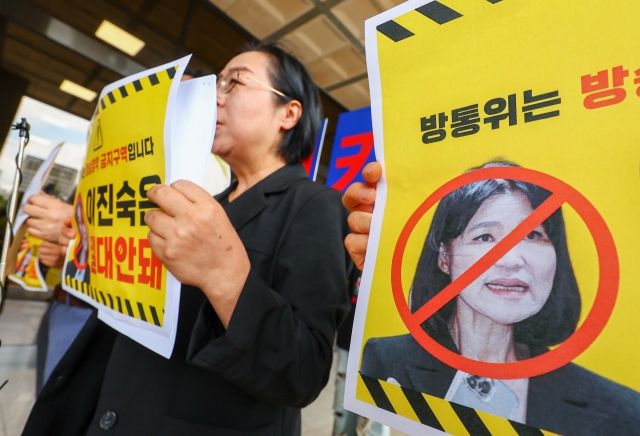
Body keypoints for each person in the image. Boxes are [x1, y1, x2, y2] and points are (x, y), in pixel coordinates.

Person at [23, 42, 353, 435]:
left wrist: (225, 276)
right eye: (218, 83)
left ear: (288, 112)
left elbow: (303, 370)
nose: (216, 96)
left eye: (234, 83)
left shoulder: (316, 205)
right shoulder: (200, 204)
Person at [343, 162, 640, 436]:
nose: (511, 261)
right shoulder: (388, 359)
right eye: (485, 237)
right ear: (444, 257)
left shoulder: (621, 410)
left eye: (533, 235)